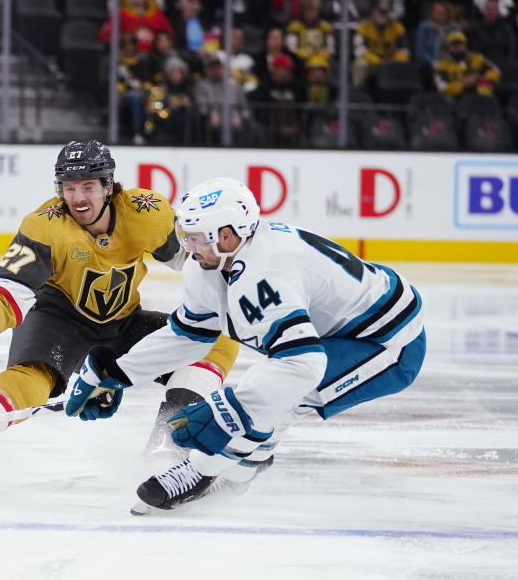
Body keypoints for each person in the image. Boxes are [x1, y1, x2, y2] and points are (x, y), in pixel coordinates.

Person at [65, 178, 426, 514]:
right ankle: (245, 462)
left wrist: (228, 409)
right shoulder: (212, 262)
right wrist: (118, 372)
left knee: (281, 399)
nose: (186, 247)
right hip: (340, 326)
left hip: (388, 343)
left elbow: (302, 365)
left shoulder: (267, 272)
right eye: (185, 235)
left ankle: (203, 474)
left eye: (195, 237)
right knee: (267, 402)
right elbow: (189, 333)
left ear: (226, 235)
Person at [0, 141, 239, 491]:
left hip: (122, 324)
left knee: (216, 340)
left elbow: (197, 260)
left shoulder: (146, 213)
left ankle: (169, 447)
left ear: (108, 186)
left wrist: (240, 285)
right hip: (58, 323)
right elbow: (10, 290)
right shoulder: (45, 226)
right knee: (31, 382)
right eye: (69, 188)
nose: (78, 198)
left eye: (88, 186)